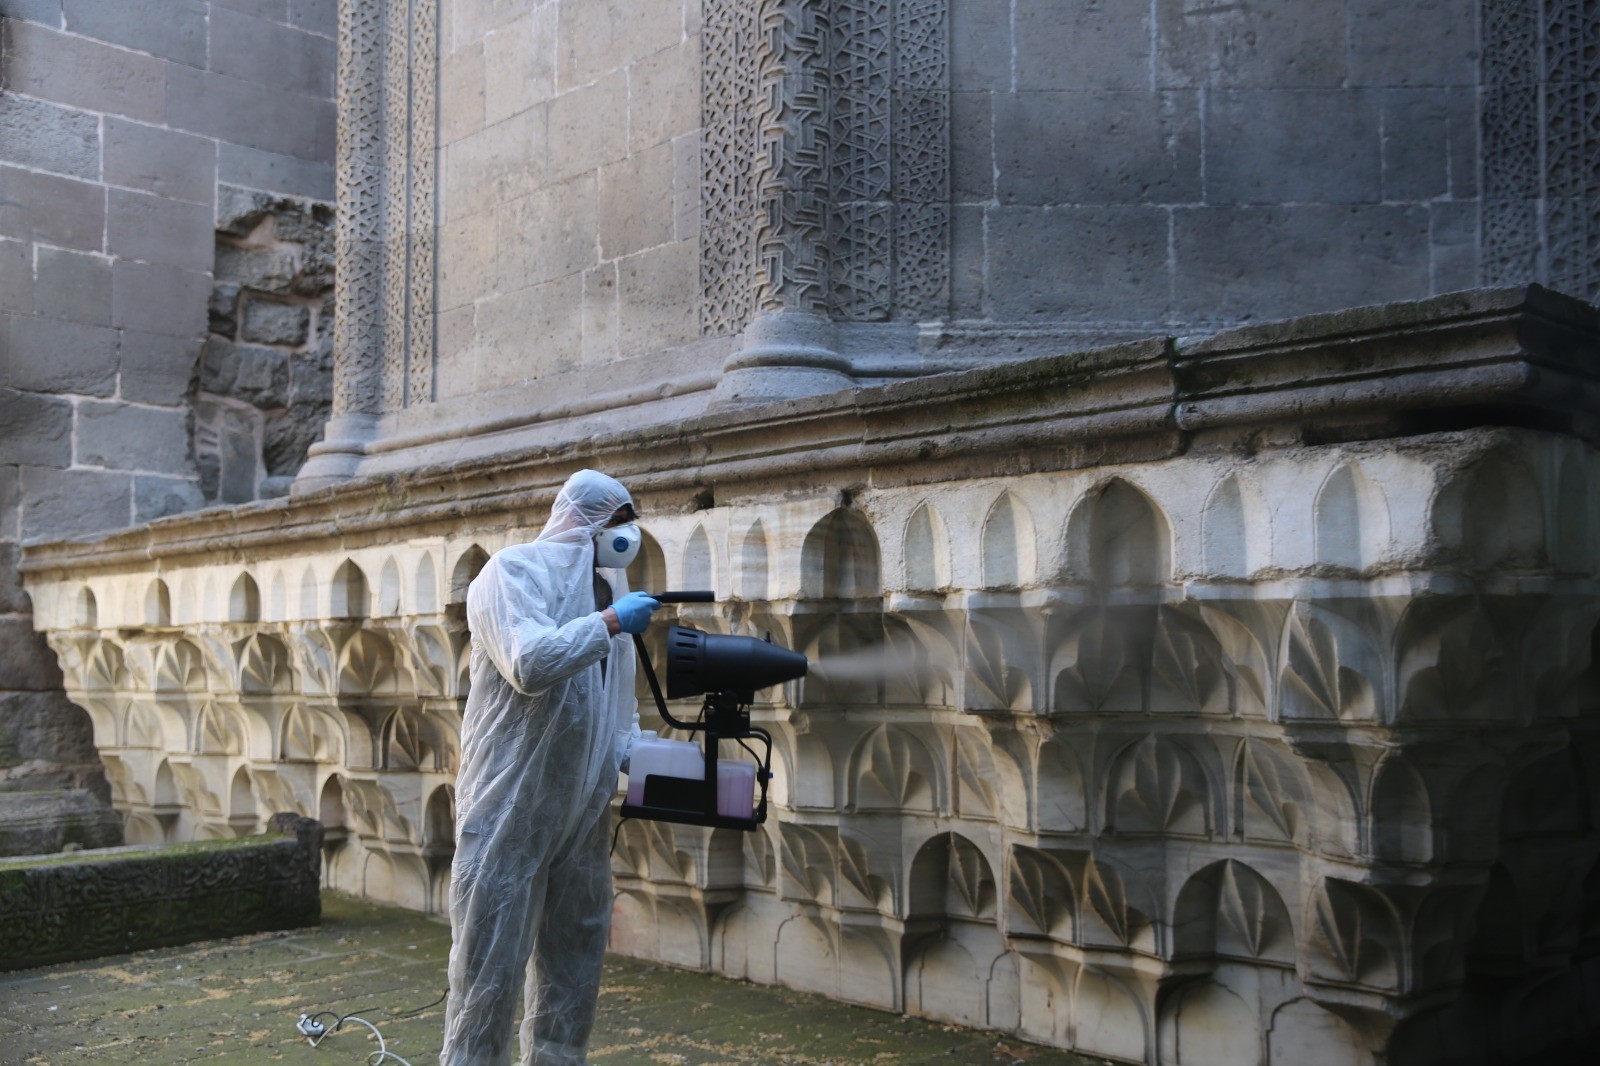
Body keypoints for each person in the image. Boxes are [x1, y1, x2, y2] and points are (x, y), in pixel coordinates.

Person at [442, 469, 660, 1065]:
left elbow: (618, 708)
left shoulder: (609, 596)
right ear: (585, 521)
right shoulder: (511, 574)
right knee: (489, 971)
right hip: (508, 809)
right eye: (618, 522)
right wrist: (612, 625)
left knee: (575, 961)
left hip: (580, 814)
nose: (627, 535)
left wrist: (646, 759)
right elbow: (529, 662)